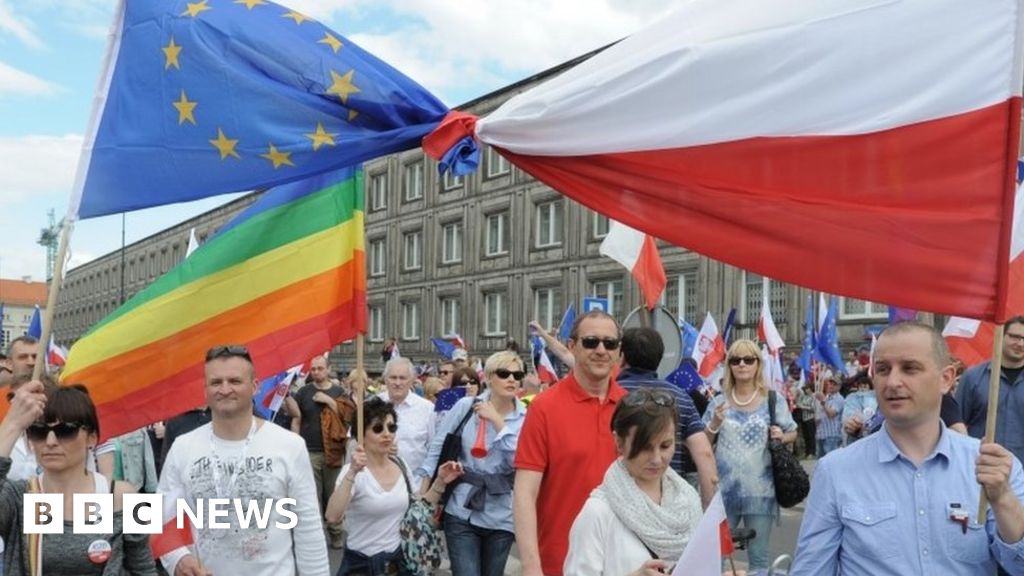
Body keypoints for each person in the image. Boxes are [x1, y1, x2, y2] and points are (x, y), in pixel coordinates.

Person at [791, 321, 1024, 575]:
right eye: (882, 369)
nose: (892, 382)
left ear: (946, 379)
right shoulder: (836, 471)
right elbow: (811, 570)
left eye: (910, 368)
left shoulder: (991, 468)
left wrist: (1003, 500)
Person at [158, 344, 329, 576]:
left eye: (235, 381)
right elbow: (161, 517)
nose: (225, 389)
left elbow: (308, 529)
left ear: (255, 387)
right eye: (216, 382)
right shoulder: (183, 447)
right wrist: (178, 558)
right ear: (205, 389)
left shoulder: (289, 446)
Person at [0, 381, 157, 574]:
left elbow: (144, 569)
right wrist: (12, 425)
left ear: (92, 438)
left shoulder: (124, 496)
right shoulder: (18, 497)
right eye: (39, 431)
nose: (51, 442)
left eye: (65, 431)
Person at [514, 310, 627, 576]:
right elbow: (524, 494)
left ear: (618, 351)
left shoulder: (631, 407)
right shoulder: (544, 407)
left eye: (609, 343)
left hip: (622, 564)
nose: (601, 350)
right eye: (591, 342)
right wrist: (531, 567)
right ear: (572, 346)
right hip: (560, 563)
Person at [564, 388, 702, 575]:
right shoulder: (597, 512)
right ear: (619, 442)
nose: (656, 459)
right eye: (644, 447)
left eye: (665, 446)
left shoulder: (689, 500)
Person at [416, 351, 527, 576]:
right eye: (504, 373)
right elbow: (438, 446)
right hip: (461, 508)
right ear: (488, 377)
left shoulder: (526, 416)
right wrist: (424, 492)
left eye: (518, 375)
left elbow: (520, 462)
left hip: (502, 514)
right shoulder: (466, 406)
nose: (512, 379)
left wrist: (497, 422)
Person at [327, 397, 462, 575]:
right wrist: (352, 473)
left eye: (392, 428)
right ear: (361, 435)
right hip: (361, 566)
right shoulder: (352, 473)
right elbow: (332, 516)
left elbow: (419, 507)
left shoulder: (400, 464)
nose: (387, 434)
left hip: (398, 564)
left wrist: (441, 481)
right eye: (377, 428)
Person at [703, 338, 797, 572]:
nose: (742, 364)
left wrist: (781, 436)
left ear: (758, 364)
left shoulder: (773, 400)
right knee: (717, 557)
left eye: (748, 359)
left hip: (761, 492)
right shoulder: (718, 401)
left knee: (758, 559)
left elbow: (792, 432)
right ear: (729, 366)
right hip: (725, 492)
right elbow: (703, 442)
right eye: (735, 360)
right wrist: (714, 422)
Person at [616, 327, 717, 507]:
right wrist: (709, 514)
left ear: (621, 356)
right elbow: (704, 453)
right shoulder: (681, 398)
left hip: (618, 499)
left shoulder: (611, 396)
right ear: (660, 359)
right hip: (668, 503)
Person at [285, 355, 354, 550]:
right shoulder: (304, 392)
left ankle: (336, 532)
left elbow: (349, 416)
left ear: (328, 369)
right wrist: (286, 396)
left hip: (333, 451)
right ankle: (315, 537)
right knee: (311, 497)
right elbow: (296, 417)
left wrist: (329, 401)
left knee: (333, 495)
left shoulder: (338, 391)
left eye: (320, 368)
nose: (316, 372)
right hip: (309, 451)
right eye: (313, 369)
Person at [956, 316, 1024, 463]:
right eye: (1015, 337)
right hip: (981, 469)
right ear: (1001, 335)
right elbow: (955, 424)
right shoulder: (973, 377)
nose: (1020, 343)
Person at [378, 357, 436, 479]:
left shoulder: (427, 409)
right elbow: (356, 441)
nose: (398, 383)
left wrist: (425, 483)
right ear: (385, 379)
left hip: (414, 482)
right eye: (393, 377)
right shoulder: (372, 405)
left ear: (412, 380)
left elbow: (433, 451)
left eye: (402, 378)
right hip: (377, 482)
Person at [840, 370, 876, 445]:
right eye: (860, 386)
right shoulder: (853, 398)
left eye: (865, 386)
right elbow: (848, 420)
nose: (863, 389)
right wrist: (852, 425)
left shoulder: (878, 397)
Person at [814, 376, 844, 456]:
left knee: (830, 460)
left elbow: (831, 414)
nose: (831, 385)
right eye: (830, 383)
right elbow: (820, 415)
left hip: (832, 435)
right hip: (821, 434)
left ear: (839, 387)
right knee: (820, 462)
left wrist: (823, 401)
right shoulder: (826, 397)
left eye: (834, 384)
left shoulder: (839, 399)